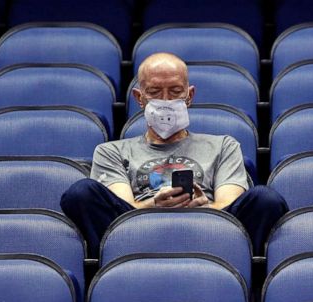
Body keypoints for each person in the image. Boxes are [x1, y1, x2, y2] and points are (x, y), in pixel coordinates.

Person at [61, 52, 288, 254]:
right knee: (82, 192)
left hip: (210, 231)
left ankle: (232, 263)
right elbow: (123, 207)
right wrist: (154, 206)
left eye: (175, 92)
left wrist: (204, 208)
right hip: (137, 231)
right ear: (139, 98)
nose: (166, 101)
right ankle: (119, 257)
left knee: (265, 199)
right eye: (155, 92)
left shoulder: (223, 145)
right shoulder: (111, 151)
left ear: (189, 95)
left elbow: (229, 202)